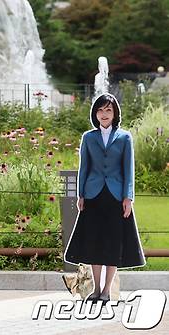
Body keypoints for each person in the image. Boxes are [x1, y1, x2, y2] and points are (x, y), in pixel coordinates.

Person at [64, 93, 145, 302]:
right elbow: (84, 168)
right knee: (94, 242)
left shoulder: (125, 137)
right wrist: (80, 194)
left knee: (112, 242)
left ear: (115, 113)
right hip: (93, 195)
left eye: (108, 110)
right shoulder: (88, 138)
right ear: (95, 113)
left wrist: (129, 197)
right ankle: (95, 289)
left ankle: (107, 291)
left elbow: (129, 169)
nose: (104, 114)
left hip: (116, 197)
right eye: (100, 110)